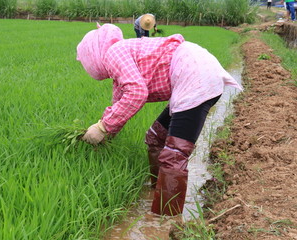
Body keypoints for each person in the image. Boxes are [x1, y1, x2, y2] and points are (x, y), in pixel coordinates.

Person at [77, 23, 242, 216]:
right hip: (194, 72)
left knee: (174, 155)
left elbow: (137, 92)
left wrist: (102, 128)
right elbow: (121, 104)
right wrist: (107, 133)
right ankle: (157, 190)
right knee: (155, 137)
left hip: (194, 76)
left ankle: (165, 219)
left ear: (92, 55)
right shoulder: (120, 55)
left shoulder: (113, 53)